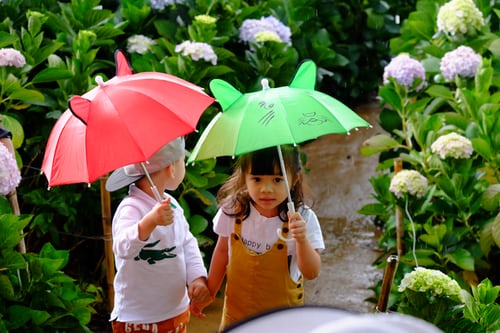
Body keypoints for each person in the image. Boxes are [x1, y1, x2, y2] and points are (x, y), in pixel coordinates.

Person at [206, 145, 325, 330]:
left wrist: (302, 240)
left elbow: (311, 272)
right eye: (257, 179)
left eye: (278, 179)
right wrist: (210, 292)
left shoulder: (303, 218)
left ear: (294, 180)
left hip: (282, 324)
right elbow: (222, 252)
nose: (266, 189)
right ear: (244, 178)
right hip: (236, 319)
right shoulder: (232, 210)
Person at [105, 137, 212, 333]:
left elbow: (187, 243)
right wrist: (149, 222)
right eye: (182, 162)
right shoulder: (131, 208)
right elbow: (122, 247)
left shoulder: (171, 204)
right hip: (139, 319)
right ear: (171, 168)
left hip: (175, 313)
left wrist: (197, 276)